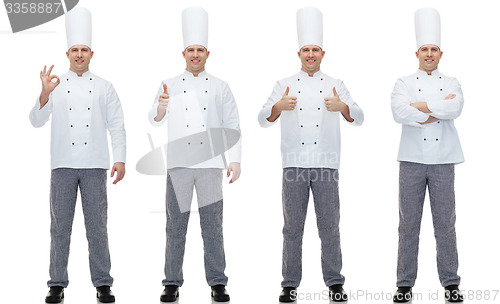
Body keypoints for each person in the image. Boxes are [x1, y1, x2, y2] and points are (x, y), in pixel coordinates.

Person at [258, 7, 363, 303]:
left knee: (329, 226)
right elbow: (262, 117)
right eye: (306, 49)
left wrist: (342, 108)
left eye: (315, 49)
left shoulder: (336, 83)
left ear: (323, 53)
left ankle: (335, 283)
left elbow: (360, 115)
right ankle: (290, 284)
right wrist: (278, 107)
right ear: (299, 53)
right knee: (292, 227)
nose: (311, 54)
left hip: (327, 164)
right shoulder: (284, 83)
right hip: (293, 164)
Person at [29, 7, 126, 304]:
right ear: (67, 53)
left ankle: (103, 283)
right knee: (60, 226)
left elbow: (118, 125)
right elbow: (36, 120)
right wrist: (44, 95)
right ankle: (57, 283)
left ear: (91, 53)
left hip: (96, 165)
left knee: (97, 226)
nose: (80, 54)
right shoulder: (55, 85)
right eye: (75, 50)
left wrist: (119, 159)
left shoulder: (105, 87)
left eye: (84, 50)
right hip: (62, 166)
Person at [148, 7, 241, 303]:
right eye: (191, 50)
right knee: (175, 225)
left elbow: (232, 125)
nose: (196, 54)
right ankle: (172, 282)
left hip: (211, 165)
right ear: (184, 53)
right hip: (178, 165)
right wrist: (162, 106)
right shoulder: (169, 84)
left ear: (207, 53)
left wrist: (235, 159)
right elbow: (154, 119)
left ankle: (217, 282)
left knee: (212, 225)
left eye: (200, 50)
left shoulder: (220, 86)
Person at [391, 7, 464, 303]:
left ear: (440, 53)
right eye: (425, 49)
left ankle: (451, 284)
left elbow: (456, 108)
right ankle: (404, 284)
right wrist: (436, 108)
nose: (429, 54)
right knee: (408, 223)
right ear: (417, 53)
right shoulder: (403, 82)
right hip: (411, 160)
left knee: (445, 222)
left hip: (444, 160)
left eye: (434, 49)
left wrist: (419, 106)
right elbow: (398, 112)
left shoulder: (452, 82)